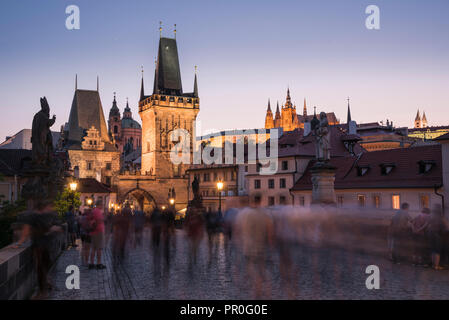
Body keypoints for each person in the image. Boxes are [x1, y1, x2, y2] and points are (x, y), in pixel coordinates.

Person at [14, 200, 63, 299]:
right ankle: (46, 284)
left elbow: (26, 230)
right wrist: (52, 229)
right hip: (48, 245)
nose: (50, 209)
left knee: (40, 268)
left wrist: (19, 243)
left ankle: (42, 293)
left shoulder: (34, 216)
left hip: (40, 246)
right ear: (44, 208)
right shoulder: (48, 216)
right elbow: (59, 227)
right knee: (44, 267)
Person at [427, 204, 449, 270]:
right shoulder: (442, 218)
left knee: (433, 250)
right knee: (437, 251)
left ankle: (433, 265)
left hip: (430, 234)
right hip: (438, 235)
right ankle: (436, 266)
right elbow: (447, 228)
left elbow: (428, 226)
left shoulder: (431, 216)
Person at [89, 201, 106, 269]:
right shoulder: (98, 211)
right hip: (98, 231)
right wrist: (103, 219)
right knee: (99, 248)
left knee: (93, 248)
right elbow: (99, 220)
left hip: (94, 232)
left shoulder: (94, 211)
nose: (102, 206)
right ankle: (99, 263)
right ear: (99, 205)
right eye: (102, 205)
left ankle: (92, 263)